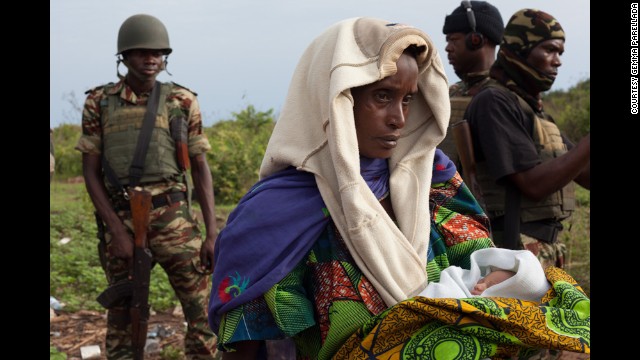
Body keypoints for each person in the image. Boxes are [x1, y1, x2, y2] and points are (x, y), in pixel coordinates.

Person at [208, 17, 589, 360]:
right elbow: (249, 342)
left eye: (408, 99)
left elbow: (482, 265)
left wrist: (506, 275)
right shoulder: (273, 215)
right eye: (382, 96)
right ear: (333, 99)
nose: (399, 118)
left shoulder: (434, 182)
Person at [75, 14, 218, 359]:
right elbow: (90, 172)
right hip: (123, 219)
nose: (151, 59)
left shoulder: (181, 101)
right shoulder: (100, 102)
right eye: (141, 52)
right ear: (123, 57)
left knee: (202, 311)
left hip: (174, 220)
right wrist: (115, 230)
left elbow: (200, 167)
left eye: (158, 53)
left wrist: (212, 233)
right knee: (124, 317)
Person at [465, 9, 590, 269]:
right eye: (549, 50)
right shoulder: (495, 102)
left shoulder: (535, 113)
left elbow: (585, 174)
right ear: (520, 48)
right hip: (512, 255)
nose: (557, 61)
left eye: (560, 53)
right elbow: (532, 184)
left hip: (540, 251)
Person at [439, 0, 504, 191]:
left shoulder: (507, 95)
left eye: (454, 39)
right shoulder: (450, 93)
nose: (448, 48)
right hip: (447, 208)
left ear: (476, 40)